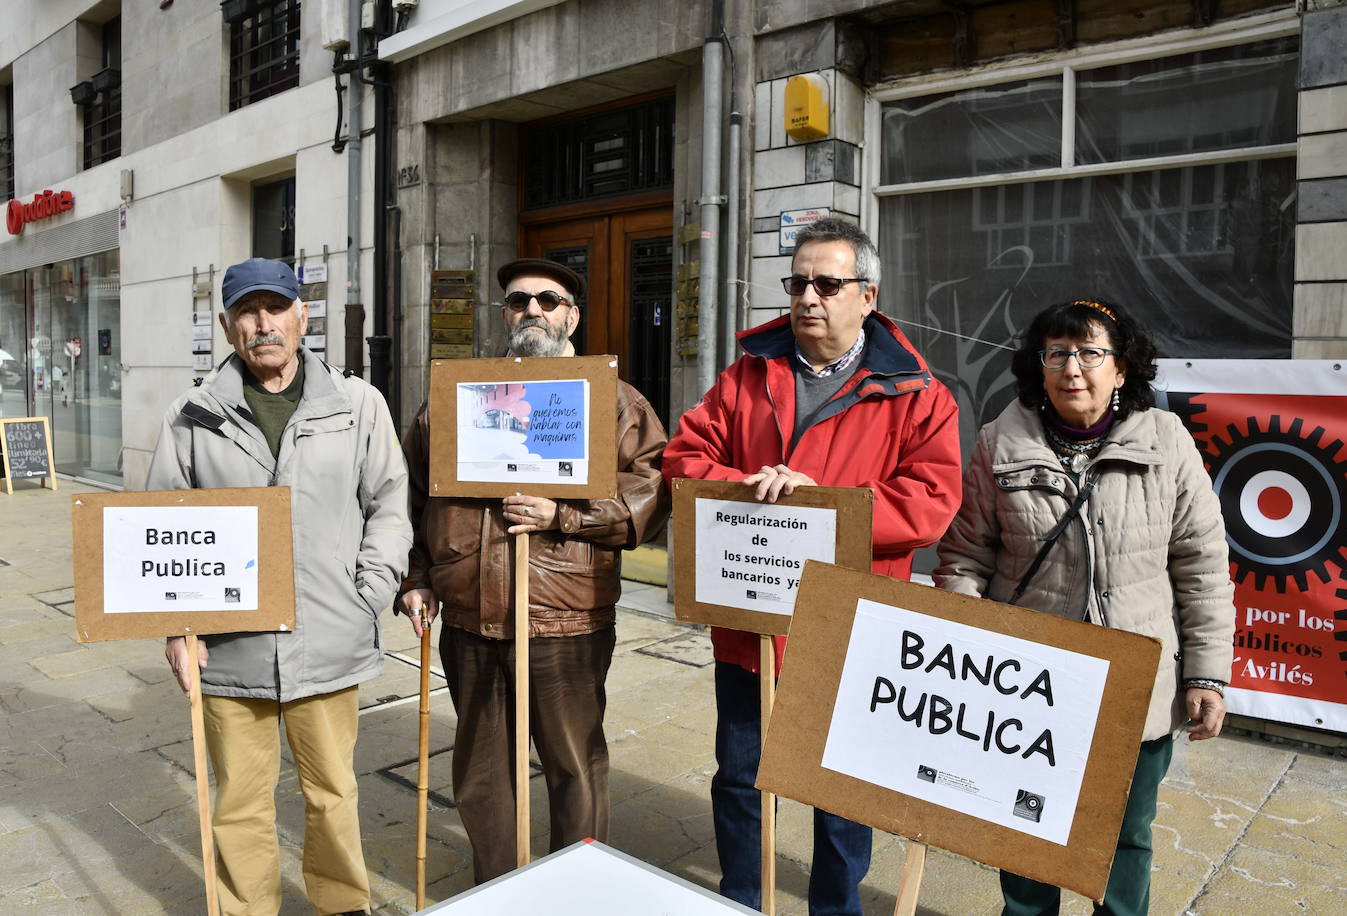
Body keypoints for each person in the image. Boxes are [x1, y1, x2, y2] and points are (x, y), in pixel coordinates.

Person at [662, 218, 963, 914]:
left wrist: (823, 508)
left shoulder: (919, 394)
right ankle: (742, 896)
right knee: (741, 777)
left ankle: (834, 906)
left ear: (868, 295)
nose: (808, 298)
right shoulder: (745, 378)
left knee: (842, 792)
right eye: (797, 283)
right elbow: (683, 460)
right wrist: (747, 486)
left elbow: (930, 505)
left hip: (851, 630)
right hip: (751, 623)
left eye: (828, 284)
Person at [934, 298, 1234, 916]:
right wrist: (974, 659)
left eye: (1092, 352)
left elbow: (1201, 567)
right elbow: (964, 560)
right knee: (1022, 829)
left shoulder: (1167, 441)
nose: (1074, 367)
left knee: (1126, 836)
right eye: (1057, 353)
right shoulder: (999, 443)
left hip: (1138, 684)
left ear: (1122, 368)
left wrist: (1206, 674)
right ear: (1038, 367)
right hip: (1028, 690)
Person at [148, 257, 411, 916]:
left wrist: (370, 592)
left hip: (328, 642)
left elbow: (389, 503)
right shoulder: (192, 414)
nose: (263, 323)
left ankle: (342, 906)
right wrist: (176, 631)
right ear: (227, 323)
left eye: (275, 308)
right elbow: (158, 527)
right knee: (238, 804)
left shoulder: (356, 404)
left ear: (302, 317)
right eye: (247, 311)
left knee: (333, 796)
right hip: (230, 653)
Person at [396, 257, 669, 884]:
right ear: (504, 315)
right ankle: (497, 889)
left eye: (549, 301)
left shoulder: (616, 402)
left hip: (565, 616)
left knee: (573, 763)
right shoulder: (454, 400)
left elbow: (651, 497)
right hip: (470, 613)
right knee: (484, 771)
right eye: (520, 302)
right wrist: (416, 578)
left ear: (572, 314)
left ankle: (574, 890)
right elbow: (411, 498)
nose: (533, 312)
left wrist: (564, 514)